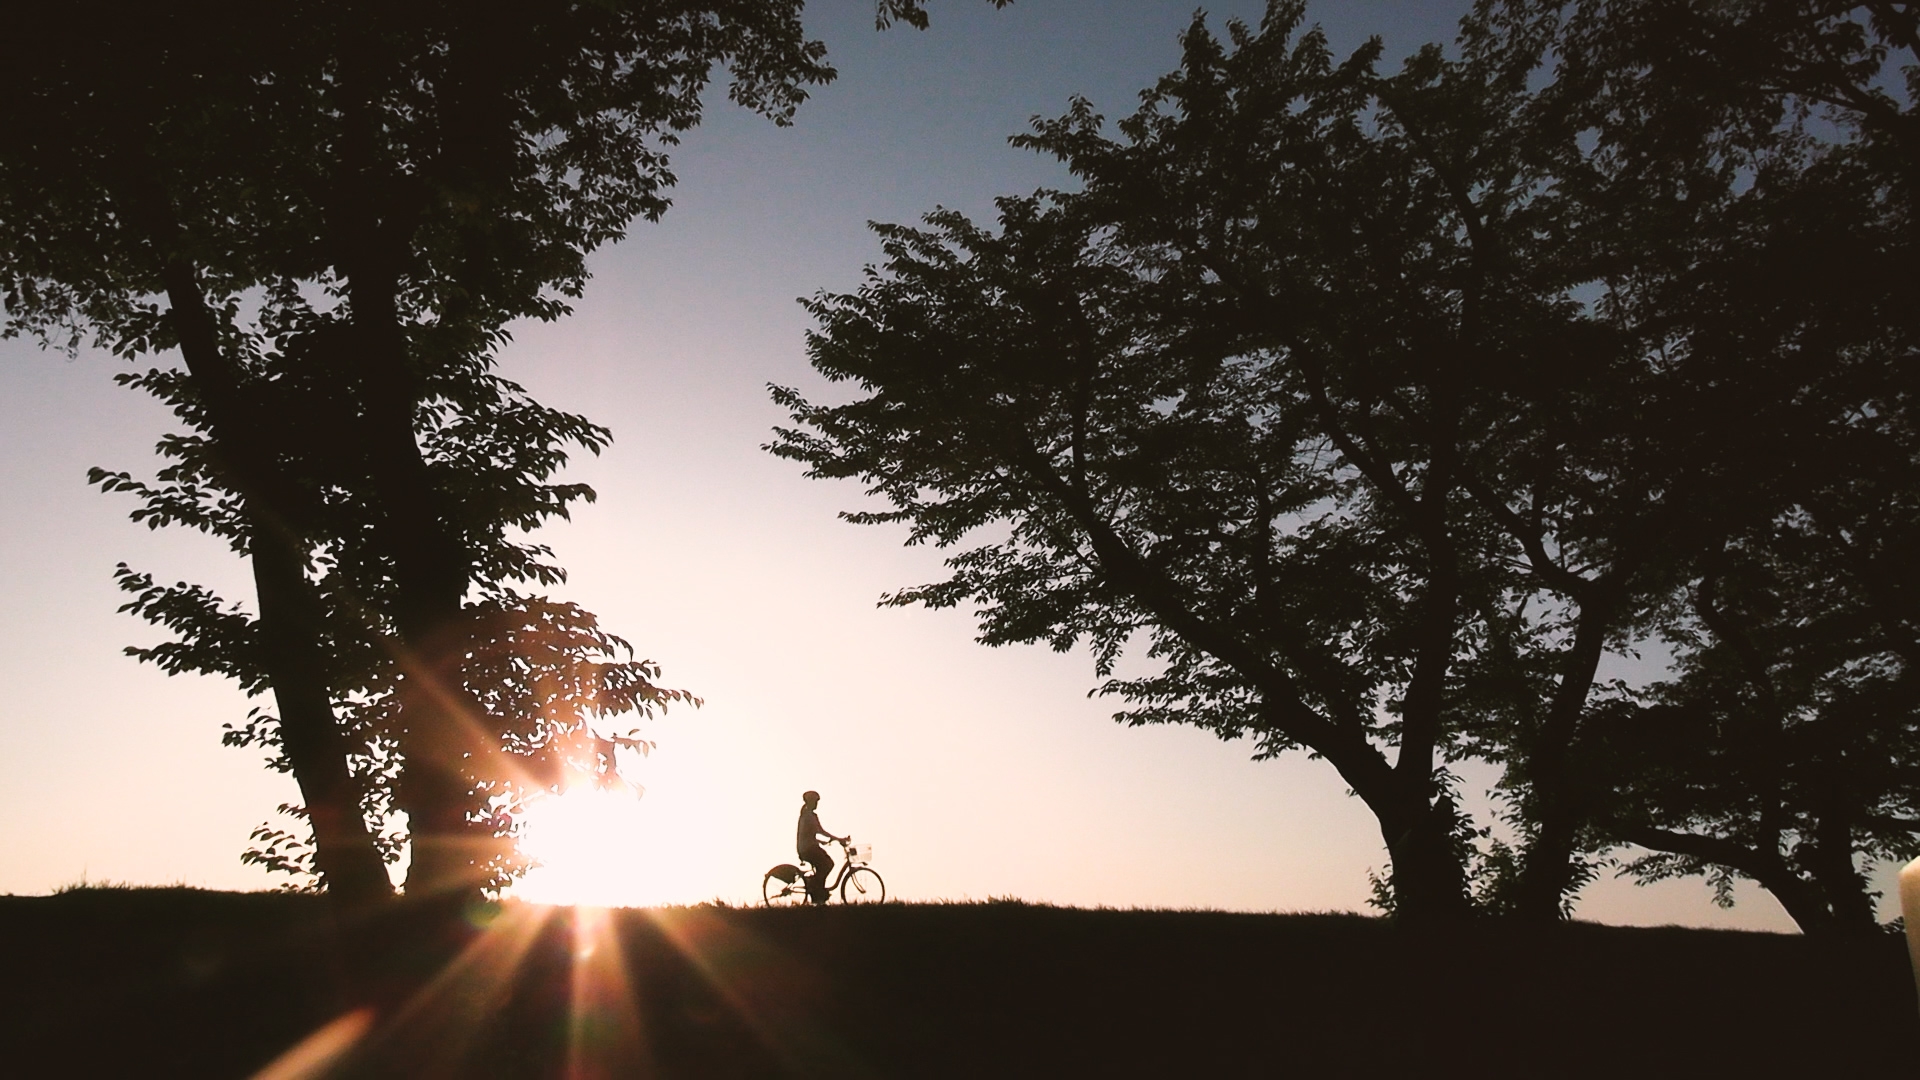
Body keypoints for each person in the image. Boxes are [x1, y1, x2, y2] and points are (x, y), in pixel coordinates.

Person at [796, 790, 846, 904]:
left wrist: (821, 841)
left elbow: (808, 834)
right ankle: (816, 888)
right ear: (811, 802)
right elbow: (820, 831)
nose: (817, 804)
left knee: (823, 865)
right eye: (815, 801)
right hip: (808, 849)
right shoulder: (809, 816)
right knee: (828, 864)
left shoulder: (806, 815)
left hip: (807, 847)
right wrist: (838, 839)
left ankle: (818, 893)